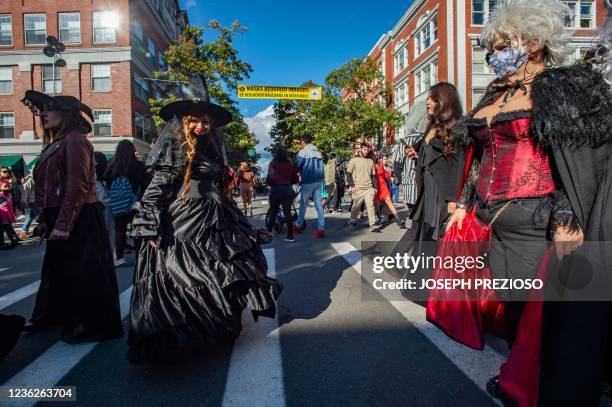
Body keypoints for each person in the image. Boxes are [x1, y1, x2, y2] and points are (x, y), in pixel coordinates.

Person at [443, 0, 612, 404]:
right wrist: (464, 203)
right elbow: (480, 156)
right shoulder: (495, 95)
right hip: (490, 221)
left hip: (535, 222)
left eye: (503, 44)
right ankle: (524, 374)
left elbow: (581, 157)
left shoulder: (563, 88)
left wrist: (569, 214)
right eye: (492, 46)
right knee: (509, 304)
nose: (493, 54)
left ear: (534, 42)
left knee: (537, 313)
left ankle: (537, 382)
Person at [127, 78, 282, 363]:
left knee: (224, 271)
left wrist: (241, 222)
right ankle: (192, 328)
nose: (202, 126)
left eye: (206, 122)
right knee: (191, 274)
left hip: (217, 215)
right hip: (187, 218)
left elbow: (221, 189)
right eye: (196, 121)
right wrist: (149, 227)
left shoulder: (210, 148)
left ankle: (216, 324)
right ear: (184, 122)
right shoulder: (176, 147)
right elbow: (156, 189)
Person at [20, 90, 123, 343]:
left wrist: (64, 225)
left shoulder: (75, 141)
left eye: (49, 109)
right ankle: (51, 316)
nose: (43, 114)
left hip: (81, 217)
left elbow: (76, 187)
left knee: (84, 272)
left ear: (66, 114)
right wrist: (46, 219)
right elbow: (47, 188)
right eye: (42, 110)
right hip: (63, 214)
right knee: (56, 270)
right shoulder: (56, 142)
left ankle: (90, 325)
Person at [407, 82, 463, 247]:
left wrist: (455, 200)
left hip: (442, 192)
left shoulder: (458, 127)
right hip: (426, 188)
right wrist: (416, 153)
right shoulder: (432, 125)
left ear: (444, 101)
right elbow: (432, 154)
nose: (427, 102)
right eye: (428, 98)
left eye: (432, 98)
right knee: (424, 232)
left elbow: (459, 165)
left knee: (437, 235)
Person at [105, 140, 147, 266]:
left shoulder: (112, 166)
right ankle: (139, 257)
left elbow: (108, 185)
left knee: (119, 229)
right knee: (137, 229)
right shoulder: (139, 166)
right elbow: (145, 184)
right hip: (135, 202)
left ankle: (119, 257)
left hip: (118, 203)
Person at [265, 147, 299, 242]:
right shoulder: (290, 165)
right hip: (288, 190)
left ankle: (269, 232)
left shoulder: (273, 164)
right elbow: (296, 180)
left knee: (273, 211)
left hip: (275, 190)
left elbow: (269, 179)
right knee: (287, 213)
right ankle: (290, 236)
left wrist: (273, 184)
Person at [294, 134, 325, 238]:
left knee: (303, 203)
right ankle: (321, 228)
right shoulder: (318, 152)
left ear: (303, 142)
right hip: (319, 181)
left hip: (308, 181)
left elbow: (296, 166)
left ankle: (298, 225)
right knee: (318, 205)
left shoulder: (303, 152)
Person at [346, 142, 379, 232]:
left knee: (370, 206)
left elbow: (373, 176)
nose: (366, 151)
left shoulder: (371, 161)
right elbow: (348, 174)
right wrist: (352, 186)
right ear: (360, 149)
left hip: (369, 188)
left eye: (367, 149)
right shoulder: (354, 160)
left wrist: (375, 187)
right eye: (364, 149)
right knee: (356, 207)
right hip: (358, 188)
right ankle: (352, 220)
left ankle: (373, 224)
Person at [374, 153, 407, 228]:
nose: (385, 161)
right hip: (375, 187)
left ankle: (399, 220)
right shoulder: (371, 165)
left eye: (376, 155)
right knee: (377, 205)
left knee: (389, 202)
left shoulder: (381, 165)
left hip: (383, 187)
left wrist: (392, 174)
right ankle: (378, 219)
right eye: (384, 159)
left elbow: (386, 176)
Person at [94, 152, 115, 256]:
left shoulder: (92, 175)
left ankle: (101, 252)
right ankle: (110, 252)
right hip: (109, 204)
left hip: (97, 204)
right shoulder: (108, 173)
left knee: (99, 231)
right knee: (111, 229)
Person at [19, 170, 40, 239]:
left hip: (38, 200)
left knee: (31, 216)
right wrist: (23, 201)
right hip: (33, 201)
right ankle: (44, 231)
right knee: (41, 215)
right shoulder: (30, 179)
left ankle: (24, 231)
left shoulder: (41, 177)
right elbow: (25, 190)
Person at [0, 179, 19, 249]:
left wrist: (14, 212)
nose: (7, 188)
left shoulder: (10, 195)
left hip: (9, 214)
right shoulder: (0, 195)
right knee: (8, 228)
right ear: (0, 187)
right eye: (5, 186)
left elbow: (12, 205)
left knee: (9, 228)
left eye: (8, 186)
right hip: (2, 215)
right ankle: (13, 240)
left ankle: (13, 240)